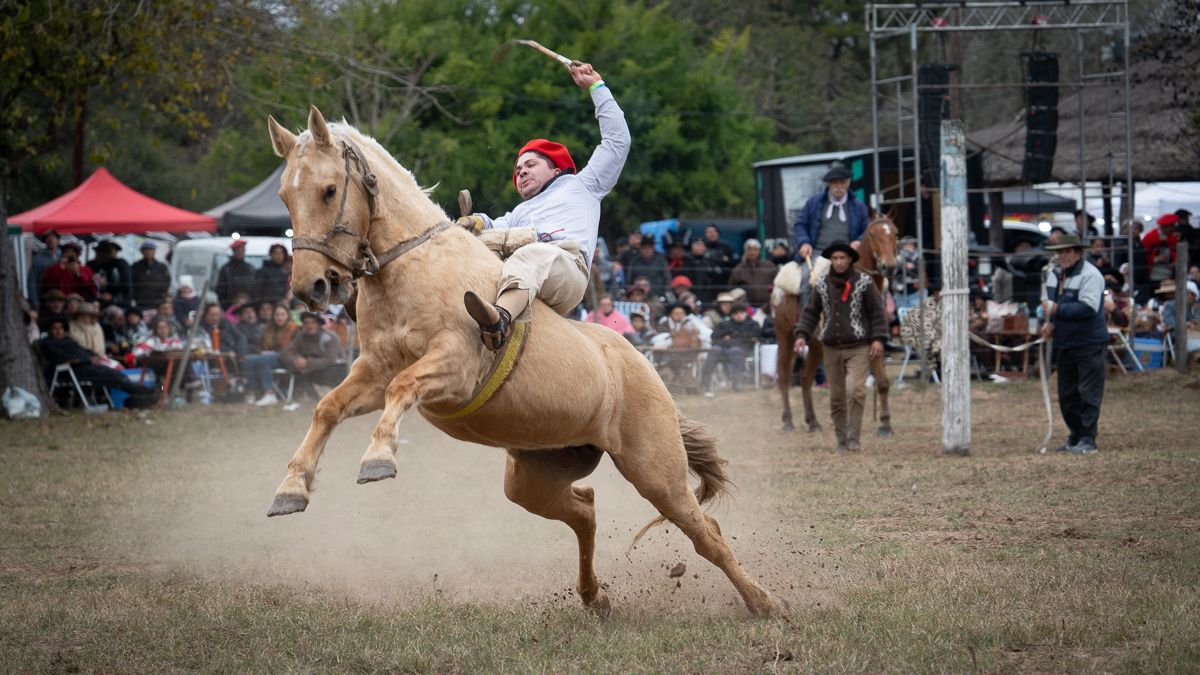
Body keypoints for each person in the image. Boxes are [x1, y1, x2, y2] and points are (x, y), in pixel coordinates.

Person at [455, 63, 630, 350]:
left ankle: (499, 320)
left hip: (567, 271)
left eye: (530, 164)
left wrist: (597, 87)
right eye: (518, 169)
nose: (521, 171)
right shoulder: (519, 214)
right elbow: (494, 225)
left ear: (556, 168)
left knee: (532, 252)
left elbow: (618, 142)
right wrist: (476, 222)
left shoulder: (584, 185)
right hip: (521, 267)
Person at [793, 241, 888, 453]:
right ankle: (841, 439)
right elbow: (810, 312)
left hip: (859, 346)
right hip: (831, 347)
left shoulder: (864, 282)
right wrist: (801, 335)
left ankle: (854, 438)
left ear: (850, 260)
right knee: (836, 396)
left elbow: (877, 312)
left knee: (855, 391)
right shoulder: (822, 284)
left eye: (842, 258)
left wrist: (878, 339)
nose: (838, 262)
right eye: (835, 258)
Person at [1041, 235, 1109, 455]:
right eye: (1060, 252)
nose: (1063, 256)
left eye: (1068, 251)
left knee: (1088, 392)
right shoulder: (1054, 275)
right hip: (1066, 342)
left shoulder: (1091, 275)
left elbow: (1088, 308)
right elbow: (1048, 305)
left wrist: (1056, 311)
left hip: (1089, 342)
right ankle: (1076, 435)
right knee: (1067, 394)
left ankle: (1088, 438)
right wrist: (1049, 323)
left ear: (1078, 252)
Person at [36, 318, 157, 408]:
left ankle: (140, 397)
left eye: (60, 328)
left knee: (118, 375)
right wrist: (88, 359)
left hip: (87, 366)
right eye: (55, 328)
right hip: (72, 370)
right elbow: (62, 358)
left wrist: (94, 357)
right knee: (115, 377)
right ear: (50, 330)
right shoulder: (48, 344)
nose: (58, 331)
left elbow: (85, 351)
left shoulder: (69, 341)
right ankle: (146, 393)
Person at [792, 163, 869, 262]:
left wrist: (859, 241)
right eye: (835, 183)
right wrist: (804, 242)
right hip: (818, 253)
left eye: (843, 182)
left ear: (848, 183)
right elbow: (800, 224)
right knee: (805, 276)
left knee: (862, 276)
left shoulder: (858, 206)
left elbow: (867, 228)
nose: (839, 186)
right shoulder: (814, 202)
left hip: (849, 254)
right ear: (829, 183)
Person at [281, 311, 344, 400]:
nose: (310, 326)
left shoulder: (329, 337)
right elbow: (284, 352)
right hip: (310, 370)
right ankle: (311, 398)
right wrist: (296, 359)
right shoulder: (301, 337)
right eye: (306, 323)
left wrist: (307, 363)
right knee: (297, 369)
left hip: (334, 370)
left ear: (318, 324)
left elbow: (330, 360)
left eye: (313, 322)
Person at [700, 302, 759, 396]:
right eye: (736, 313)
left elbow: (752, 337)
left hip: (741, 350)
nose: (739, 315)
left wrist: (730, 336)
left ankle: (737, 382)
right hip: (722, 349)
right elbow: (714, 336)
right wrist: (732, 335)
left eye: (742, 312)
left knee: (735, 351)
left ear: (746, 313)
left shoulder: (752, 324)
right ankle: (706, 381)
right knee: (714, 350)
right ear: (732, 314)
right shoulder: (725, 323)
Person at [728, 239, 777, 308]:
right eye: (749, 249)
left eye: (755, 249)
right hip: (746, 309)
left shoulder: (769, 266)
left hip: (768, 307)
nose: (752, 252)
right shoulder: (738, 270)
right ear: (745, 251)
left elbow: (777, 285)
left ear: (759, 251)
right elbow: (731, 289)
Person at [88, 240, 133, 309]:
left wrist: (107, 285)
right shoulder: (92, 265)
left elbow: (126, 285)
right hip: (96, 301)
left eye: (103, 253)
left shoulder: (120, 264)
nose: (98, 255)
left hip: (118, 302)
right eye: (97, 252)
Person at [217, 240, 257, 309]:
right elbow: (221, 289)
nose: (240, 252)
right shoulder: (226, 268)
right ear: (234, 251)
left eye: (242, 250)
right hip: (230, 306)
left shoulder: (250, 268)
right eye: (238, 250)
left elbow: (255, 287)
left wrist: (249, 299)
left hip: (248, 305)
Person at [130, 241, 171, 309]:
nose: (148, 252)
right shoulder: (135, 266)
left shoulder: (162, 266)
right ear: (142, 252)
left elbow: (167, 282)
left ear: (154, 251)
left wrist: (164, 296)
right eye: (146, 250)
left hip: (158, 303)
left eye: (150, 250)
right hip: (140, 302)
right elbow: (131, 283)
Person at [26, 230, 62, 308]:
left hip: (62, 299)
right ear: (45, 241)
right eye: (48, 238)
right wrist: (35, 301)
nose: (51, 240)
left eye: (53, 237)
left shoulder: (64, 257)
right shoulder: (38, 259)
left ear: (58, 240)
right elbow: (32, 281)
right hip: (44, 299)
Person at [1143, 213, 1182, 284]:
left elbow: (1176, 253)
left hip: (1170, 273)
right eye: (1171, 226)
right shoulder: (1150, 237)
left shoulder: (1173, 238)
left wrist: (1174, 262)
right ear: (1164, 227)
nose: (1173, 228)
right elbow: (1143, 255)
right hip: (1154, 273)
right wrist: (1155, 259)